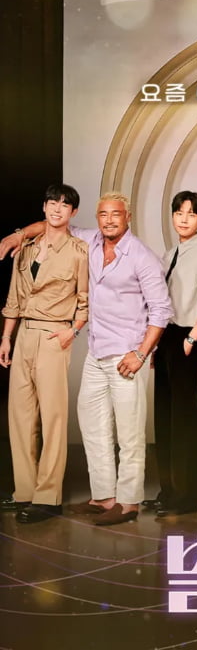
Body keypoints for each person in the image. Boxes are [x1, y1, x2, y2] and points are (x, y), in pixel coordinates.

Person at [2, 192, 173, 525]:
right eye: (103, 214)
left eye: (115, 214)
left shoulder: (142, 257)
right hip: (97, 352)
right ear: (97, 218)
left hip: (127, 354)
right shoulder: (91, 241)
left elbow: (161, 311)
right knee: (93, 427)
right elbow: (52, 224)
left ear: (128, 217)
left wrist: (141, 353)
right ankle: (104, 497)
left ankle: (128, 502)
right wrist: (18, 235)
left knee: (129, 433)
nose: (109, 220)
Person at [0, 184, 88, 524]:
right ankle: (25, 490)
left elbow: (85, 300)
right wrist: (6, 337)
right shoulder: (26, 249)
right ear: (44, 207)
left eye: (65, 205)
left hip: (54, 335)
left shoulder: (79, 251)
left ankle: (48, 497)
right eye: (53, 203)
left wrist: (72, 331)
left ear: (73, 213)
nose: (57, 209)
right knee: (20, 416)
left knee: (52, 418)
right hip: (23, 334)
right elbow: (14, 298)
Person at [150, 191, 197, 518]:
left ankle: (186, 496)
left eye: (191, 214)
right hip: (167, 337)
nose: (183, 219)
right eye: (179, 212)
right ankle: (168, 491)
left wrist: (192, 338)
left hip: (187, 337)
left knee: (185, 419)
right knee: (165, 417)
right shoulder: (170, 254)